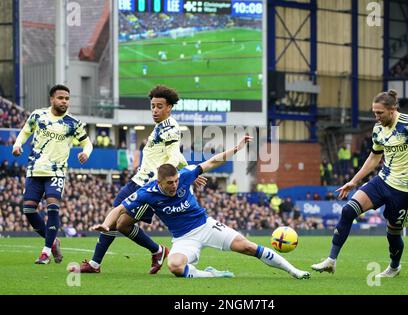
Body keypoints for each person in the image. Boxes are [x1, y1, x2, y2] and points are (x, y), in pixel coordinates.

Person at [93, 136, 310, 280]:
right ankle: (212, 275)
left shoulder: (185, 175)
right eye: (170, 183)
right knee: (175, 267)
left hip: (206, 226)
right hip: (183, 238)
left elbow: (212, 162)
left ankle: (294, 271)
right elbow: (119, 209)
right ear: (159, 183)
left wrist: (235, 149)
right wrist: (105, 224)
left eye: (176, 181)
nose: (175, 185)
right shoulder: (147, 193)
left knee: (248, 247)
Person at [311, 89, 408, 278]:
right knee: (348, 210)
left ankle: (394, 267)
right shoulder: (378, 129)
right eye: (374, 113)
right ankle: (331, 260)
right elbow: (374, 158)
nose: (377, 117)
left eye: (380, 113)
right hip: (382, 181)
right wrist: (353, 181)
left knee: (393, 233)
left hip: (404, 190)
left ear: (392, 110)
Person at [76, 85, 206, 274]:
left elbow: (172, 157)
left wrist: (166, 180)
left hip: (148, 185)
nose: (155, 110)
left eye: (159, 106)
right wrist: (190, 171)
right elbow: (177, 155)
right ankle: (158, 250)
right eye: (153, 106)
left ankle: (95, 264)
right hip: (137, 180)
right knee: (122, 224)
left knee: (116, 220)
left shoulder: (170, 129)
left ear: (169, 107)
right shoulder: (160, 127)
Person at [12, 84, 93, 264]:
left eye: (66, 98)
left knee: (53, 207)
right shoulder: (38, 115)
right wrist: (17, 145)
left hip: (56, 172)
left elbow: (88, 143)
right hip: (35, 170)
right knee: (28, 209)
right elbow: (25, 132)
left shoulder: (73, 123)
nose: (64, 101)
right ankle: (53, 241)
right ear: (52, 99)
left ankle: (46, 252)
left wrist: (85, 153)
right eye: (60, 98)